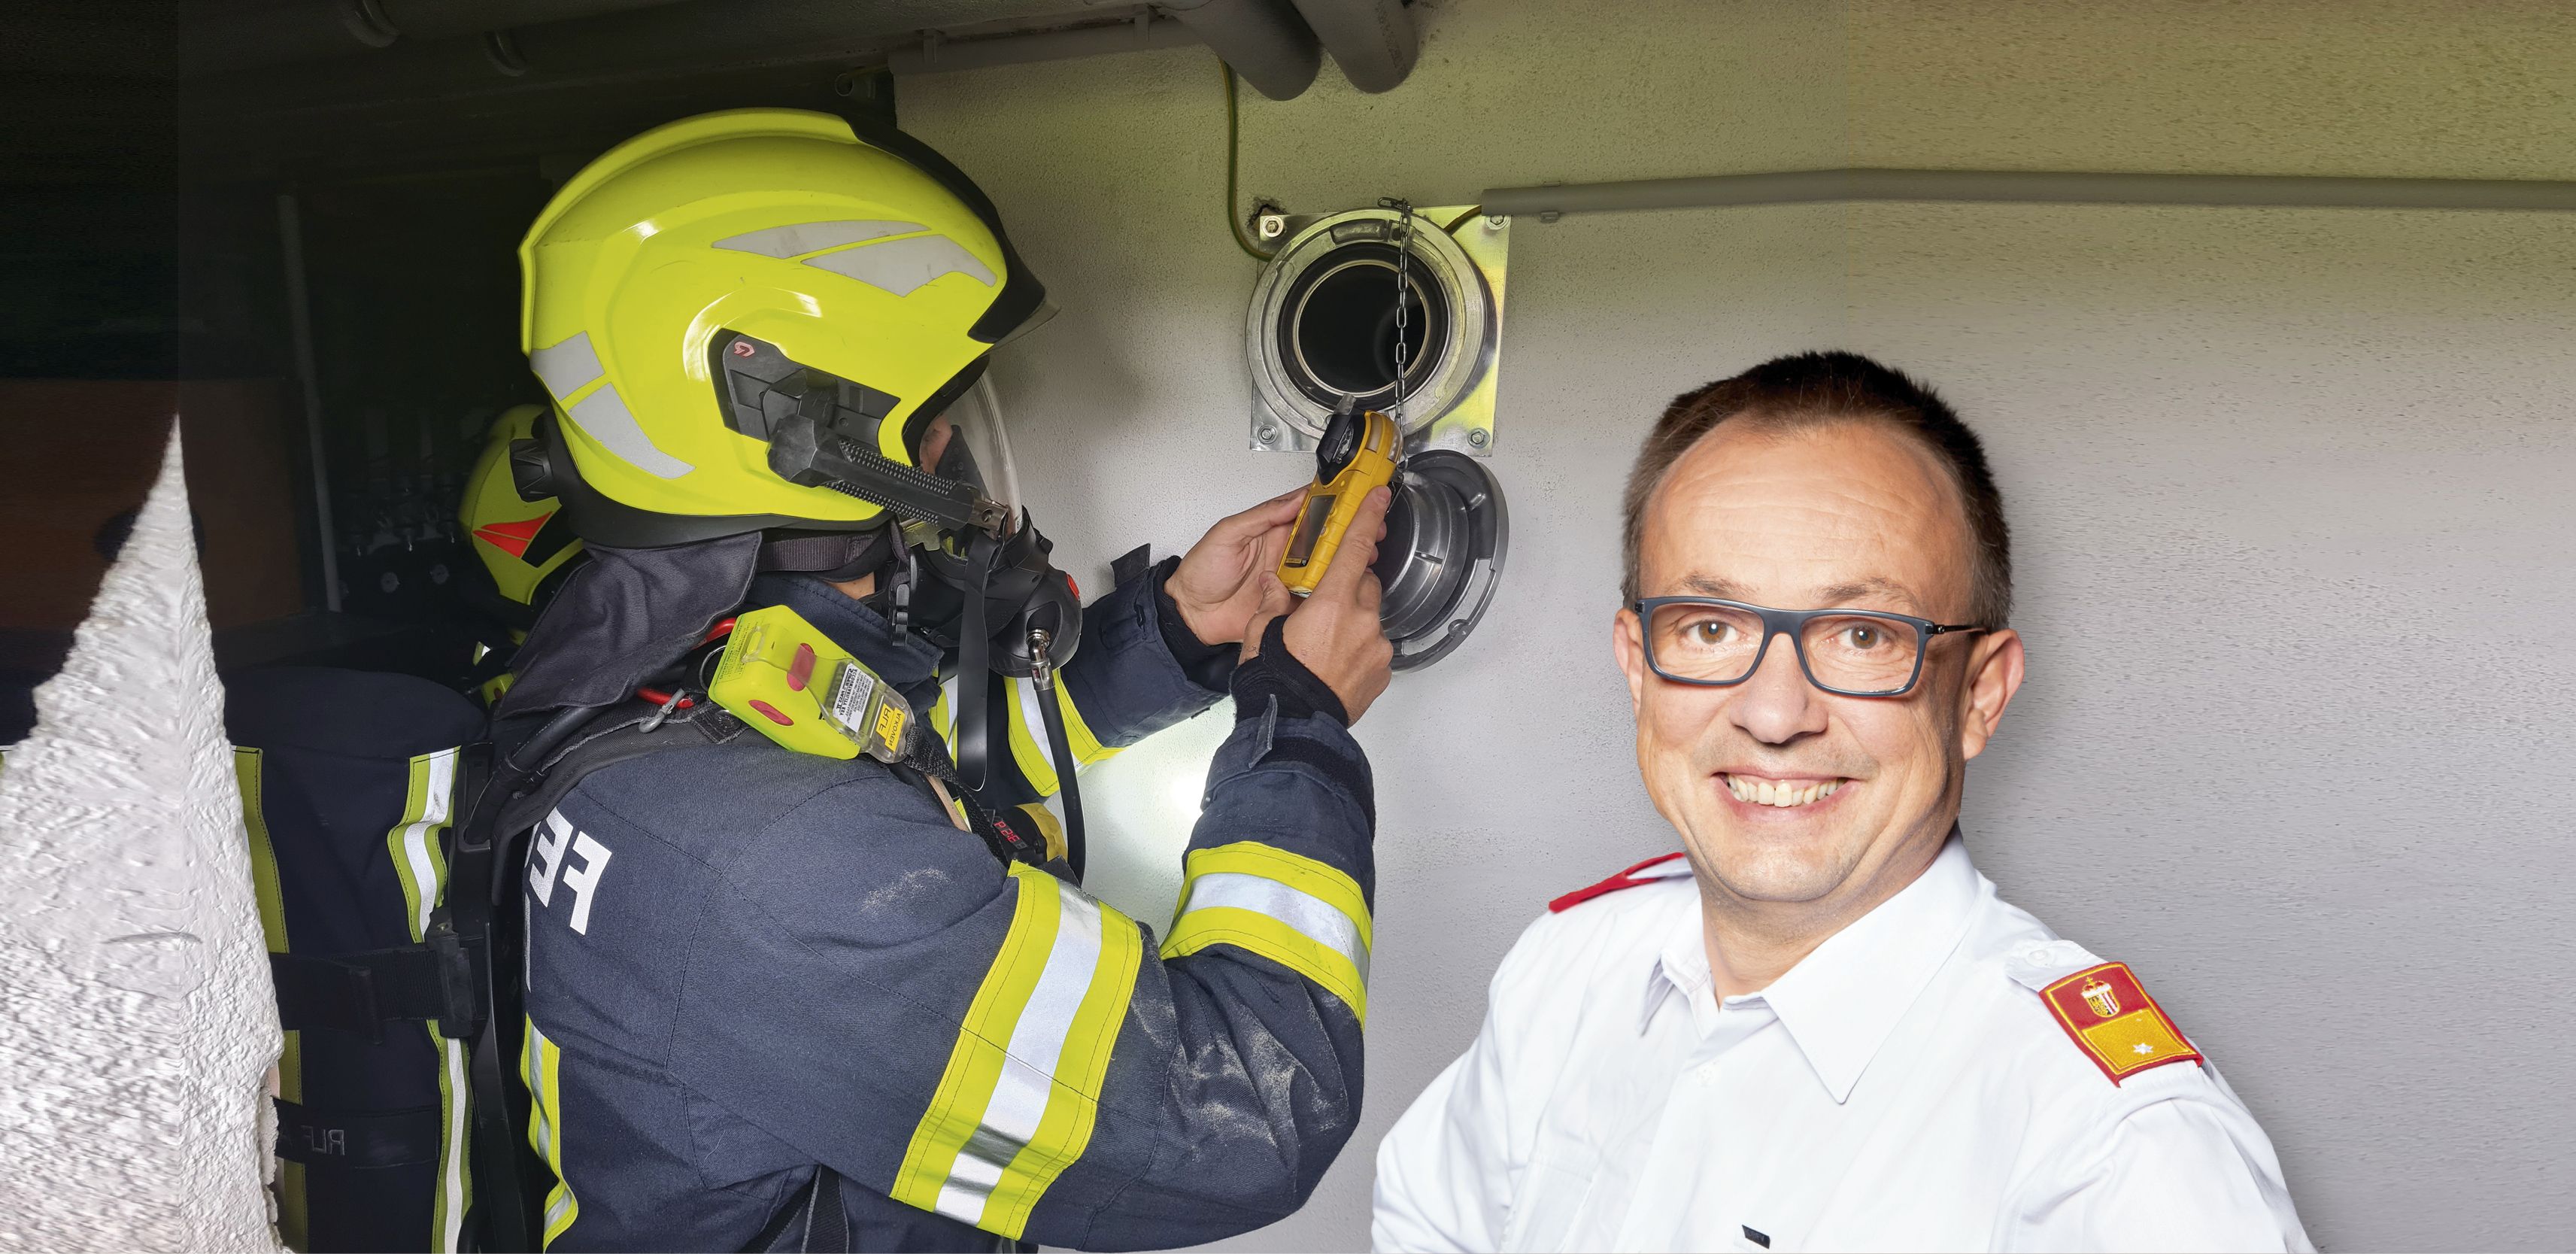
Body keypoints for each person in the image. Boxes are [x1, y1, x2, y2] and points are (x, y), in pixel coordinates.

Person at [493, 108, 1394, 1251]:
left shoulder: (668, 691)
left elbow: (914, 772)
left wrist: (1176, 633)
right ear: (806, 435)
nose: (950, 451)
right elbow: (1245, 1112)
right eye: (932, 418)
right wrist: (1299, 724)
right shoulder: (772, 867)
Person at [1373, 352, 2311, 1252]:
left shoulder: (2107, 1144)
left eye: (1862, 634)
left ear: (1979, 693)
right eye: (1708, 626)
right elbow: (1429, 1224)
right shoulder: (1570, 969)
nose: (1775, 715)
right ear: (1635, 668)